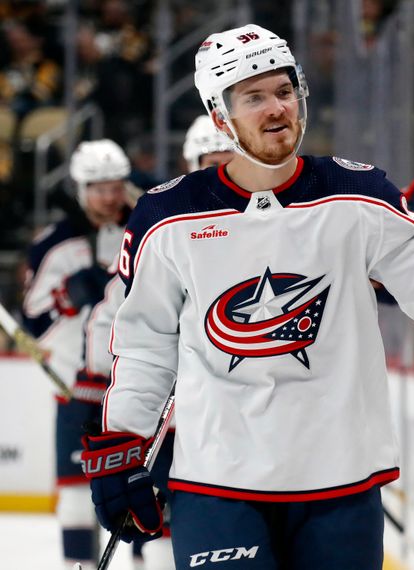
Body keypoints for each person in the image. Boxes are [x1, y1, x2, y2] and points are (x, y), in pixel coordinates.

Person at [80, 25, 414, 569]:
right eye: (253, 97)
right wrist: (123, 443)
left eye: (284, 91)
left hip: (341, 481)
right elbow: (145, 345)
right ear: (220, 114)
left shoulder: (359, 194)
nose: (277, 108)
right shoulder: (167, 216)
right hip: (216, 483)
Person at [77, 116, 236, 570]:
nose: (222, 168)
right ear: (193, 163)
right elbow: (119, 318)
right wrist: (109, 383)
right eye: (211, 160)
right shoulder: (168, 225)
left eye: (230, 157)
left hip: (240, 413)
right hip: (180, 407)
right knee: (166, 517)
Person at [22, 139, 131, 570]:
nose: (109, 195)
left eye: (115, 185)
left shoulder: (144, 227)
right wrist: (67, 295)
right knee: (73, 491)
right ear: (81, 188)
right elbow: (33, 319)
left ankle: (147, 556)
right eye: (99, 187)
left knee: (145, 489)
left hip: (134, 382)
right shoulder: (55, 242)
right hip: (75, 385)